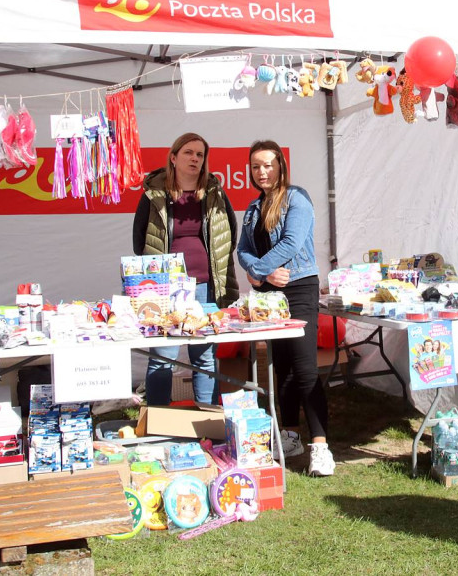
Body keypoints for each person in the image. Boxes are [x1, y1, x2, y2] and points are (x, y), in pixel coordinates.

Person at [236, 140, 333, 476]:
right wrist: (260, 271)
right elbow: (242, 251)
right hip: (268, 295)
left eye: (268, 164)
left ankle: (320, 446)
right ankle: (290, 435)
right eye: (255, 167)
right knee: (282, 367)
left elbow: (292, 242)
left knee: (305, 367)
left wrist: (259, 270)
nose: (262, 172)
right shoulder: (251, 209)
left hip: (299, 288)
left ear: (280, 166)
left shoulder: (297, 198)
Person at [133, 132, 239, 406]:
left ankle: (209, 419)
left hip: (205, 286)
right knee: (162, 356)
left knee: (204, 355)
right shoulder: (153, 195)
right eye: (188, 152)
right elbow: (139, 241)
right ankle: (158, 423)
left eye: (200, 154)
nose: (195, 158)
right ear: (173, 157)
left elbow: (230, 235)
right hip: (165, 288)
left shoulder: (215, 193)